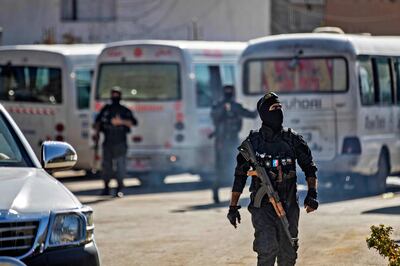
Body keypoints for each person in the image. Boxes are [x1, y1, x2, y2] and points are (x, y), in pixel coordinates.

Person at [226, 92, 319, 266]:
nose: (278, 111)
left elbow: (310, 168)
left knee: (288, 254)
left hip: (289, 205)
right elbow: (239, 176)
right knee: (267, 251)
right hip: (262, 208)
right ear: (264, 113)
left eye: (279, 108)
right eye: (273, 108)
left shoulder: (293, 139)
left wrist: (312, 193)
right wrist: (233, 207)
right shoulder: (253, 142)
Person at [210, 85, 257, 203]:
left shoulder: (235, 106)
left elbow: (252, 115)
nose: (228, 93)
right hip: (222, 141)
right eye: (227, 91)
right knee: (220, 167)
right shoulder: (219, 106)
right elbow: (214, 117)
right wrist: (224, 110)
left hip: (232, 140)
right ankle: (216, 193)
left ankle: (234, 195)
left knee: (235, 167)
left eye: (229, 91)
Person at [94, 87, 138, 197]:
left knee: (120, 167)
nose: (114, 96)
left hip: (120, 142)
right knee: (106, 167)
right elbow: (98, 123)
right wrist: (97, 134)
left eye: (117, 94)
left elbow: (133, 122)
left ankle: (119, 188)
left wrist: (121, 122)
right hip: (108, 142)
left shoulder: (124, 110)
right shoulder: (106, 109)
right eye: (113, 94)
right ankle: (106, 188)